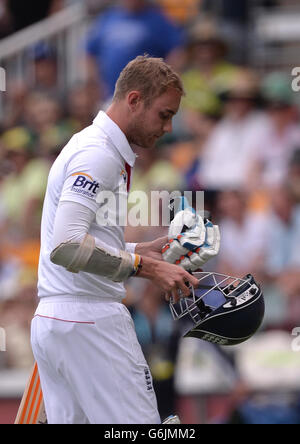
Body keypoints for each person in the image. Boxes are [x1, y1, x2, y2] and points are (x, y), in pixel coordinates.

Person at [30, 55, 219, 424]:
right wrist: (145, 268)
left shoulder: (95, 147)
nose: (168, 128)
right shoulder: (98, 154)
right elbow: (66, 246)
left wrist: (140, 250)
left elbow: (79, 240)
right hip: (90, 321)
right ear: (134, 100)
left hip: (58, 319)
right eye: (164, 114)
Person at [84, 0, 184, 99]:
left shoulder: (157, 19)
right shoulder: (108, 18)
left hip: (145, 97)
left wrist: (162, 82)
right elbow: (89, 53)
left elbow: (177, 52)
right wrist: (96, 83)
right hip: (110, 95)